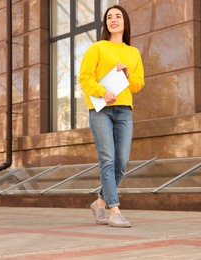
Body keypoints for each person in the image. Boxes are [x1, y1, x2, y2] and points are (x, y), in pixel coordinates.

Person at [79, 5, 145, 228]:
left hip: (124, 109)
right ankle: (114, 211)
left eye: (118, 16)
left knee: (122, 162)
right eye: (109, 17)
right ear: (106, 23)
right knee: (107, 159)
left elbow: (138, 84)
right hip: (100, 110)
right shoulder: (96, 48)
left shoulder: (133, 52)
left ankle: (99, 203)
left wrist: (128, 74)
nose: (113, 20)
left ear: (125, 22)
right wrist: (102, 92)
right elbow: (85, 78)